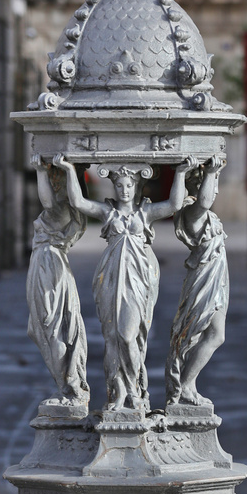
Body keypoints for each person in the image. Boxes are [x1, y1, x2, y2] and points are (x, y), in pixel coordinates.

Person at [58, 155, 187, 412]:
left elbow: (174, 204)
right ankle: (117, 393)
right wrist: (68, 169)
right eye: (120, 186)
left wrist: (181, 172)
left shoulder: (146, 212)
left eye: (129, 185)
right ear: (114, 188)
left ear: (136, 187)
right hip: (110, 279)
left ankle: (136, 390)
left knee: (129, 336)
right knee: (112, 337)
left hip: (138, 281)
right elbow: (78, 202)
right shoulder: (108, 212)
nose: (125, 190)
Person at [26, 155, 89, 406]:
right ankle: (67, 383)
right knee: (39, 329)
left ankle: (69, 386)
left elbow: (48, 203)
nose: (54, 180)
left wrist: (40, 171)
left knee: (51, 328)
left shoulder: (63, 209)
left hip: (49, 267)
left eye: (57, 176)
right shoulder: (67, 209)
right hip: (43, 264)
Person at [165, 158, 228, 407]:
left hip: (216, 276)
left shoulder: (206, 214)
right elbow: (205, 200)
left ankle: (186, 384)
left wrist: (215, 171)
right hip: (204, 278)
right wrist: (211, 171)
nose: (216, 190)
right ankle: (185, 385)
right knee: (211, 334)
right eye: (212, 185)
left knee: (215, 335)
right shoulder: (192, 214)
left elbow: (208, 197)